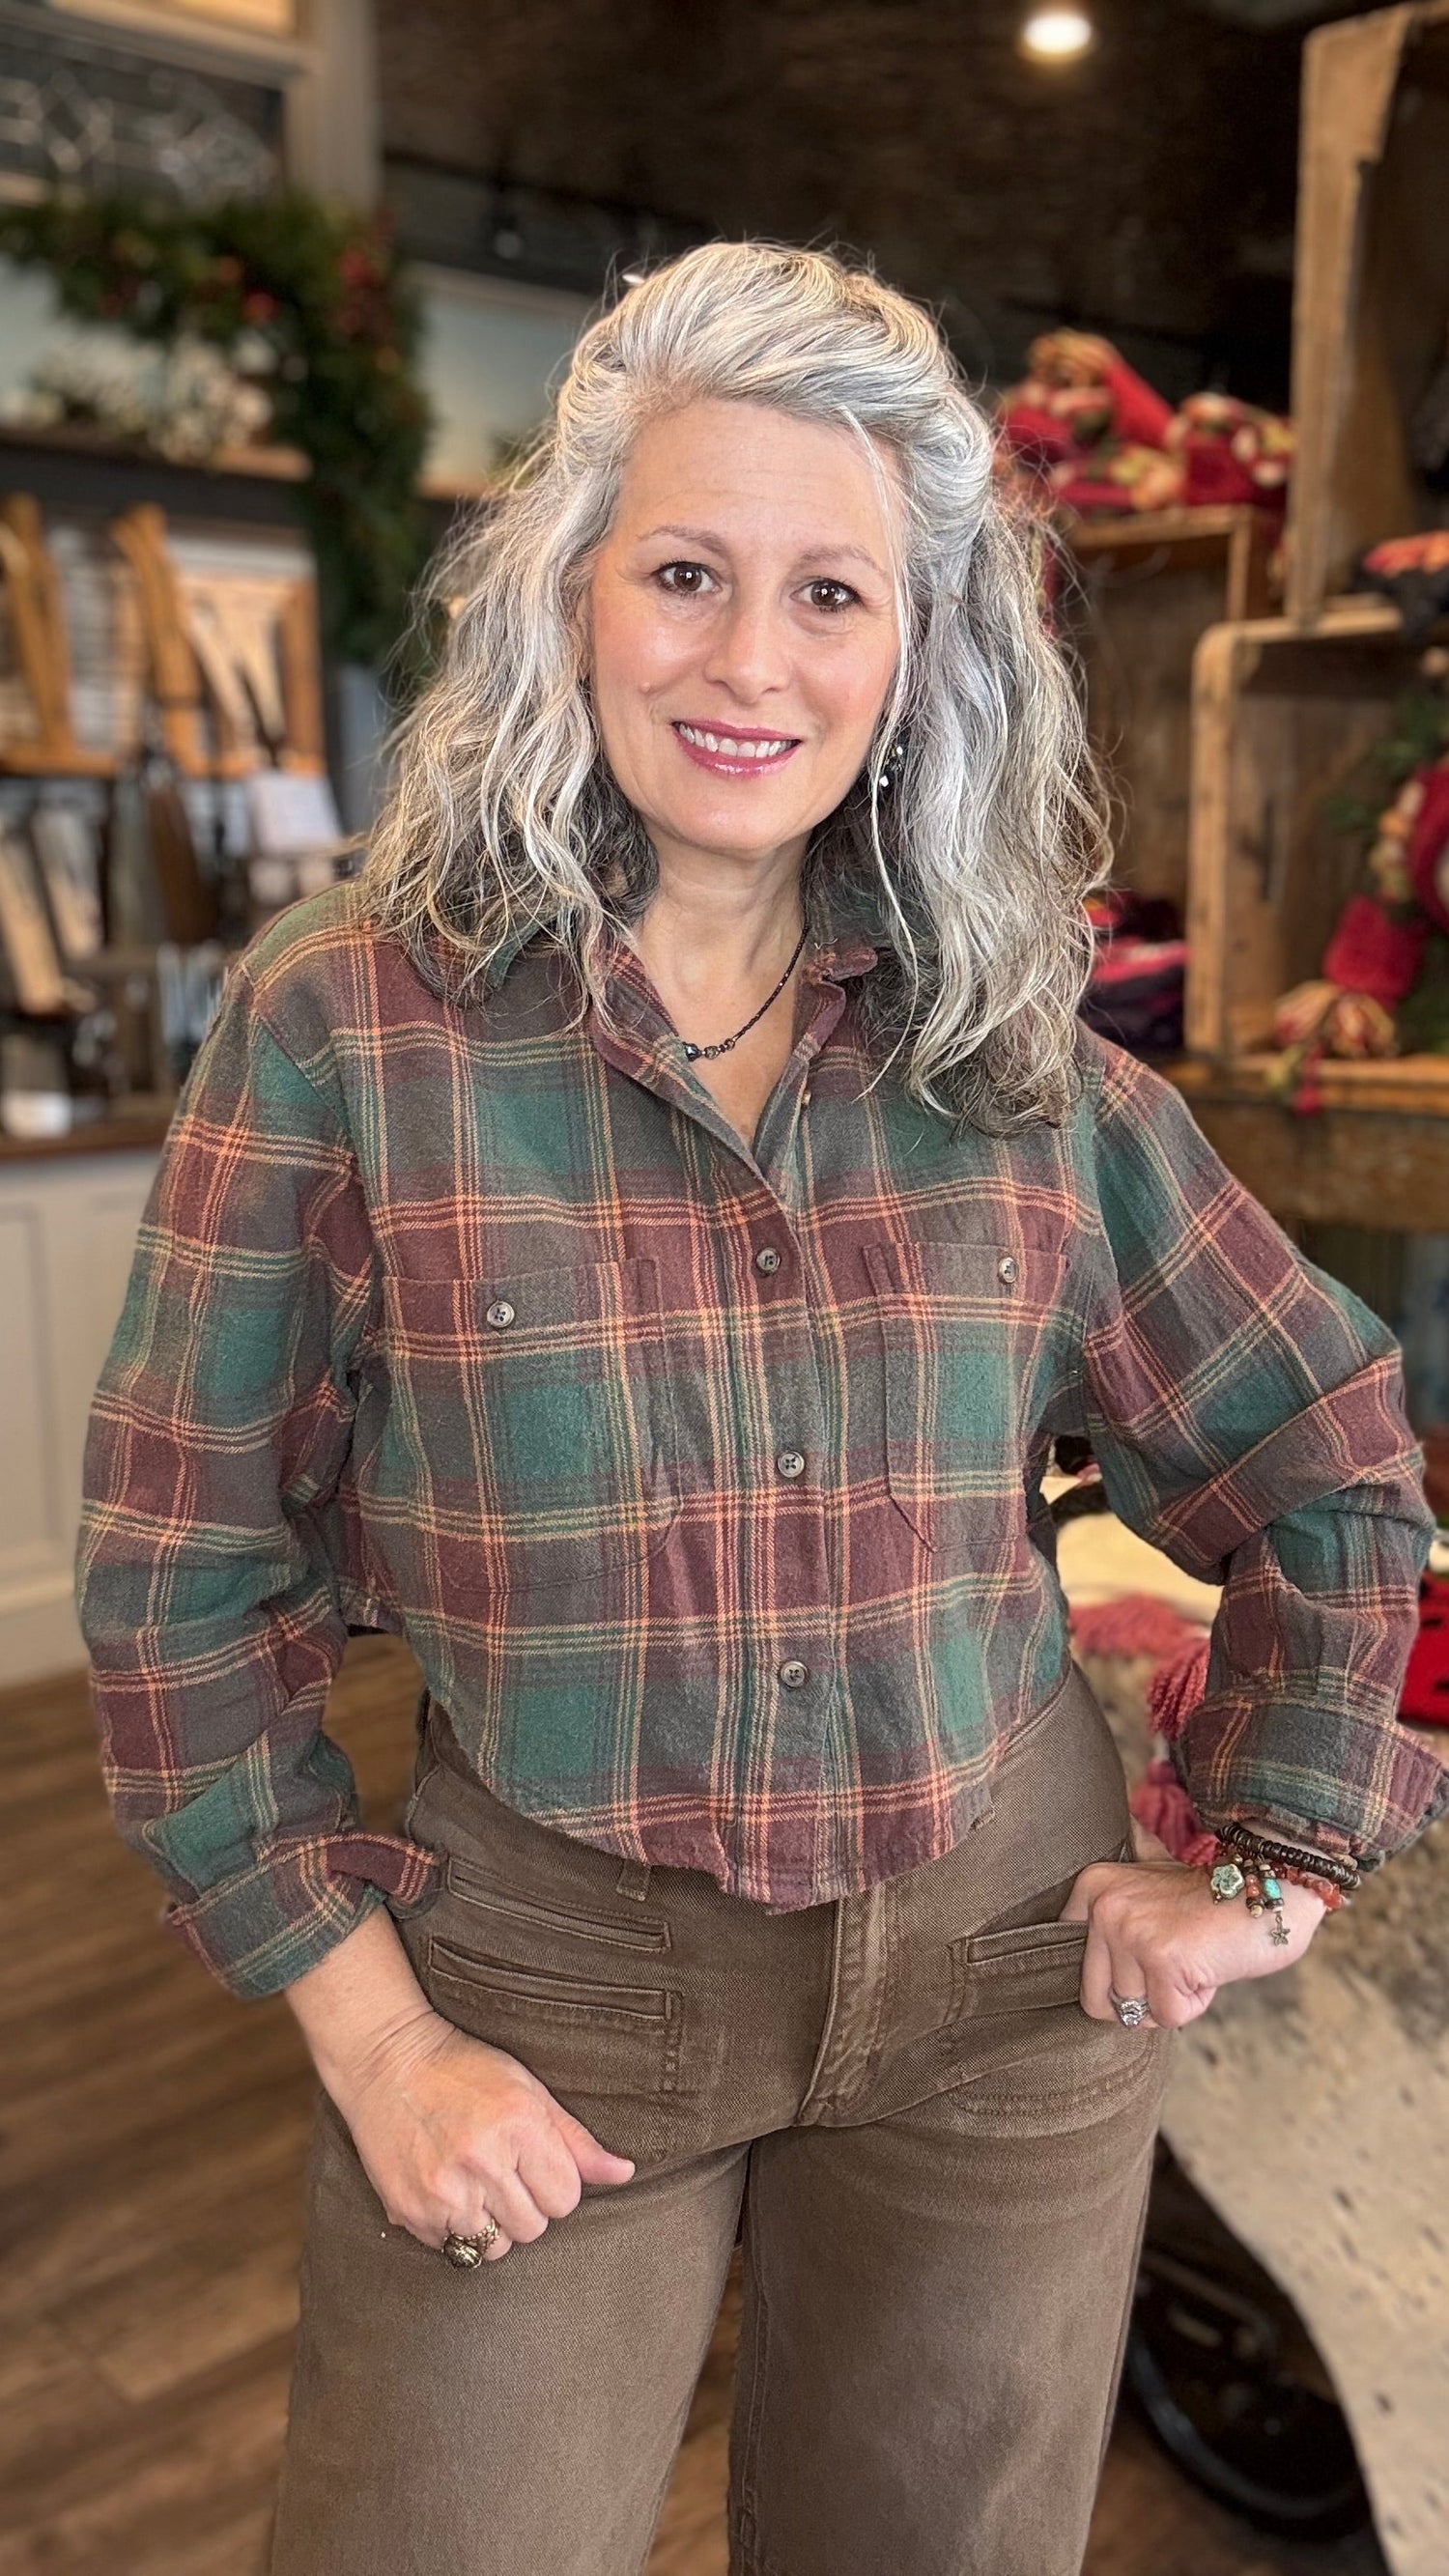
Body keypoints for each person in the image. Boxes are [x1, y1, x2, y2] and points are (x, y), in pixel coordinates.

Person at [74, 243, 1445, 2576]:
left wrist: (1273, 1862)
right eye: (687, 571)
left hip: (1011, 1976)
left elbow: (1333, 1456)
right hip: (552, 1984)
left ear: (919, 663)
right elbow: (183, 1583)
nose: (750, 661)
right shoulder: (353, 1029)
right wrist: (383, 2043)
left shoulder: (1012, 1054)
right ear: (570, 594)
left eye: (834, 594)